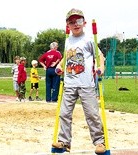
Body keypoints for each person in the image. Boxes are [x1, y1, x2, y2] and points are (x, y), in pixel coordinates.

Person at [52, 8, 106, 154]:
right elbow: (65, 57)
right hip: (69, 84)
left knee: (92, 114)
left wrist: (101, 67)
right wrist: (59, 66)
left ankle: (100, 142)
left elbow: (100, 56)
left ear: (84, 23)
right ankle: (64, 141)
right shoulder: (67, 41)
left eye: (79, 21)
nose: (76, 24)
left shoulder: (89, 40)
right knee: (64, 114)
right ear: (67, 25)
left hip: (86, 84)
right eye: (71, 22)